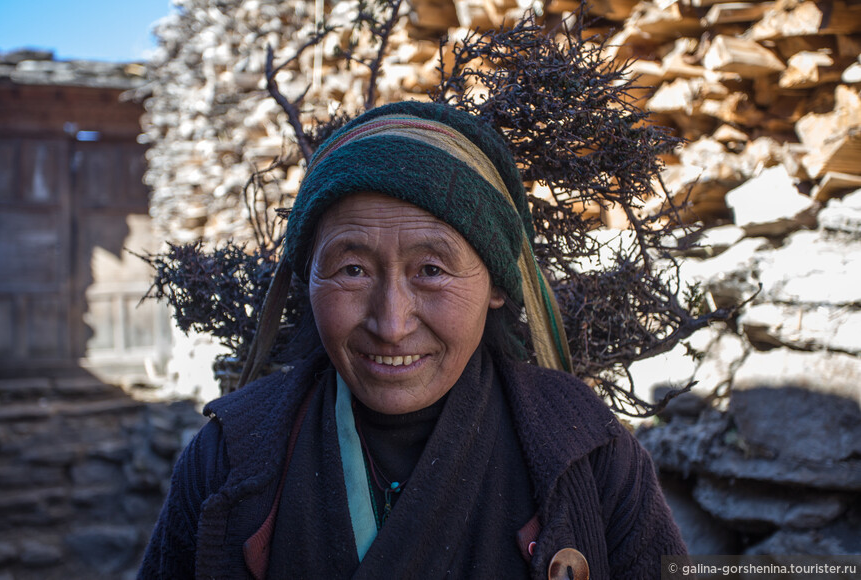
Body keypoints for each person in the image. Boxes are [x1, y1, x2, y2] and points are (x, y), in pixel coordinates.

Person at [138, 101, 686, 579]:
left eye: (431, 269)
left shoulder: (589, 455)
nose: (391, 323)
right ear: (306, 280)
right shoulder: (228, 459)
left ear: (497, 283)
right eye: (352, 270)